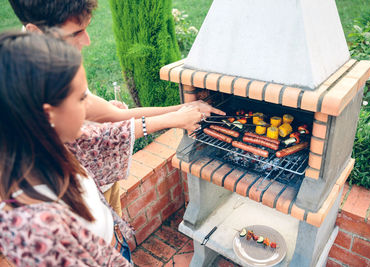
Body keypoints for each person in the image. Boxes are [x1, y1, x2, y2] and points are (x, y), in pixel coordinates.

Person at [7, 0, 225, 216]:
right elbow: (96, 137)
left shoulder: (52, 55)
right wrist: (175, 118)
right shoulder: (25, 83)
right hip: (78, 202)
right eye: (76, 32)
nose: (88, 40)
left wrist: (183, 109)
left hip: (100, 182)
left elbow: (112, 115)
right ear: (35, 31)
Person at [0, 31, 135, 265]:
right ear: (47, 114)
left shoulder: (37, 147)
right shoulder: (40, 231)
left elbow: (101, 134)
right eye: (82, 98)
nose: (87, 108)